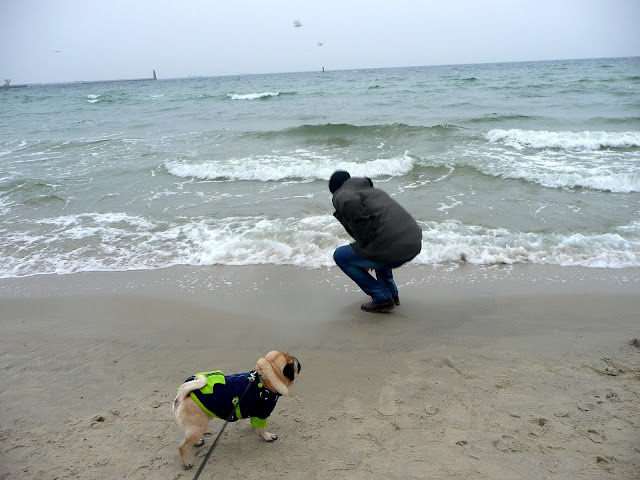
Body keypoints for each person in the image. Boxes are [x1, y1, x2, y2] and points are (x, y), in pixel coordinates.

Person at [329, 170, 422, 313]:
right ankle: (392, 294)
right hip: (413, 241)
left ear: (335, 189)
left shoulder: (344, 196)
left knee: (340, 256)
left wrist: (365, 251)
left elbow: (360, 222)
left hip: (393, 247)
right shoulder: (371, 192)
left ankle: (382, 298)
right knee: (379, 243)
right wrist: (367, 251)